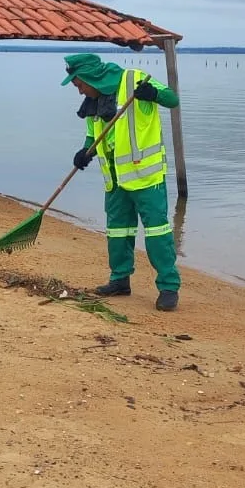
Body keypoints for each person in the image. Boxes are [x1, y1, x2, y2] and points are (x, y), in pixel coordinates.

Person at [62, 52, 182, 311]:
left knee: (157, 232)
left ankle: (169, 286)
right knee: (118, 232)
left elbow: (172, 99)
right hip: (115, 178)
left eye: (79, 84)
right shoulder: (93, 102)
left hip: (145, 176)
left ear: (90, 77)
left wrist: (153, 94)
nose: (79, 90)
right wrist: (85, 152)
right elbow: (93, 134)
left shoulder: (135, 80)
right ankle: (120, 280)